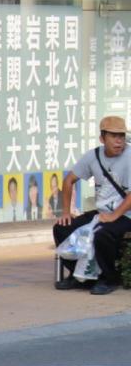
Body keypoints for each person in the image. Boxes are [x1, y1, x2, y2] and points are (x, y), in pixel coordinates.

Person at [53, 115, 131, 295]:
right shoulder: (93, 156)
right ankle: (81, 277)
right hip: (103, 213)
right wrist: (66, 211)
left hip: (126, 214)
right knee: (62, 228)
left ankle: (108, 279)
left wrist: (114, 216)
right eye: (114, 136)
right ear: (102, 138)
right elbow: (68, 181)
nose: (119, 141)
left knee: (103, 233)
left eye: (121, 136)